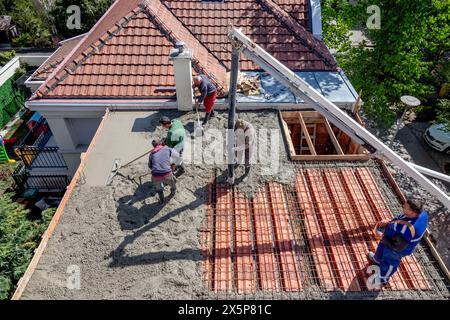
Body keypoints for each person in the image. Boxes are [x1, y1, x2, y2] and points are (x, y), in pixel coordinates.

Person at [368, 198, 428, 287]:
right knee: (381, 248)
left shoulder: (407, 229)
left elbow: (397, 247)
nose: (403, 206)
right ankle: (377, 260)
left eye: (405, 207)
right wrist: (389, 221)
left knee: (389, 262)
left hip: (396, 248)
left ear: (412, 212)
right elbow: (401, 218)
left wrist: (382, 237)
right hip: (392, 237)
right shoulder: (422, 213)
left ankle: (382, 279)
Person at [148, 140, 178, 204]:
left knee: (159, 189)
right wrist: (172, 166)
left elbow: (150, 166)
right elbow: (176, 156)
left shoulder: (151, 153)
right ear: (161, 144)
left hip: (155, 175)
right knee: (173, 185)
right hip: (167, 174)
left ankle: (161, 200)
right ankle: (172, 193)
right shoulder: (167, 148)